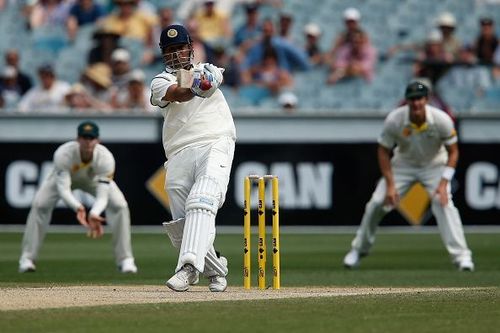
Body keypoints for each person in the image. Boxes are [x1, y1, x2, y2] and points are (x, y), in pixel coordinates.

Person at [343, 81, 474, 272]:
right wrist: (390, 185)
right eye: (412, 99)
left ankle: (462, 257)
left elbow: (453, 152)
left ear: (426, 100)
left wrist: (444, 183)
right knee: (376, 203)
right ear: (407, 101)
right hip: (403, 165)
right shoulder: (395, 120)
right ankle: (358, 250)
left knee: (444, 203)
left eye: (419, 99)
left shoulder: (441, 120)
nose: (416, 103)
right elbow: (383, 151)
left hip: (434, 165)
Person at [150, 24, 235, 292]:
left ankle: (187, 268)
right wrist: (198, 84)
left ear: (191, 48)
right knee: (181, 227)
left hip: (215, 141)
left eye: (181, 48)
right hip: (178, 152)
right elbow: (180, 94)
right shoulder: (159, 82)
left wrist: (209, 79)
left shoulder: (209, 69)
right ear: (164, 54)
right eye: (170, 50)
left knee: (203, 200)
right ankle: (217, 268)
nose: (176, 55)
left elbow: (212, 81)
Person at [18, 121, 137, 274]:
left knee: (120, 205)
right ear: (78, 139)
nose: (88, 142)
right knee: (40, 204)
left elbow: (102, 196)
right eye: (84, 138)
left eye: (91, 138)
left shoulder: (105, 158)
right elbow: (64, 189)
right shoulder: (63, 154)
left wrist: (94, 213)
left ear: (97, 140)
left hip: (93, 180)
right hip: (63, 180)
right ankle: (27, 258)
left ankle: (125, 259)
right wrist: (78, 207)